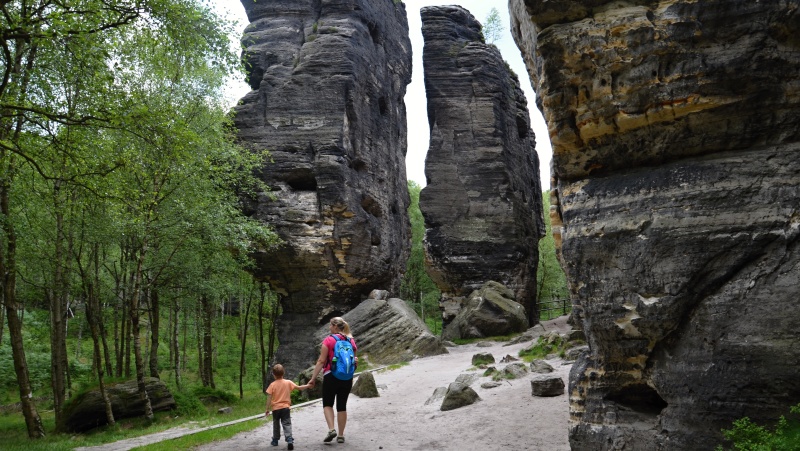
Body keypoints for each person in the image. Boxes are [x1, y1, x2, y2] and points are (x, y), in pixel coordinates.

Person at [309, 316, 358, 444]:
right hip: (347, 377)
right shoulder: (351, 340)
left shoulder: (329, 340)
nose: (329, 327)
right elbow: (354, 360)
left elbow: (321, 361)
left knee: (328, 404)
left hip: (331, 375)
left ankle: (331, 429)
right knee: (342, 406)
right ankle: (341, 435)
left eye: (330, 325)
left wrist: (313, 378)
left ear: (335, 326)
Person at [265, 363, 310, 450]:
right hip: (285, 408)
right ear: (284, 372)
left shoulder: (272, 385)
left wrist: (267, 409)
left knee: (276, 424)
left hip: (276, 409)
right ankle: (289, 439)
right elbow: (299, 387)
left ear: (274, 374)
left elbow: (269, 397)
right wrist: (308, 385)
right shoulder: (288, 382)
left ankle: (275, 440)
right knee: (287, 423)